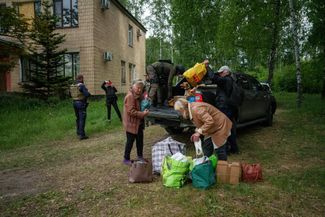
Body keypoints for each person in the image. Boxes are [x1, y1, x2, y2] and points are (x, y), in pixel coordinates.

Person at [212, 65, 239, 154]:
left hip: (225, 107)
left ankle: (225, 149)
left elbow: (214, 78)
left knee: (223, 128)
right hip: (230, 107)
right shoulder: (231, 80)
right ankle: (234, 148)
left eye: (221, 72)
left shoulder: (226, 79)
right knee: (231, 127)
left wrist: (208, 68)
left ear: (227, 72)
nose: (220, 74)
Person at [122, 79, 149, 165]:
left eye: (141, 88)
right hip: (131, 124)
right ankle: (126, 159)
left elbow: (144, 94)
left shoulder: (138, 95)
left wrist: (145, 101)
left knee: (140, 141)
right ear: (133, 86)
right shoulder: (130, 96)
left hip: (138, 123)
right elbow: (131, 111)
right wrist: (143, 114)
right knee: (130, 142)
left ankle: (140, 156)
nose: (139, 90)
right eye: (138, 87)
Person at [70, 74, 91, 140]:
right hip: (81, 103)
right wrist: (88, 93)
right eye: (83, 78)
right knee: (82, 118)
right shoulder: (81, 85)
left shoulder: (73, 86)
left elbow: (69, 94)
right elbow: (87, 94)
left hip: (74, 103)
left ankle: (78, 132)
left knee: (78, 118)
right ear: (81, 79)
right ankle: (82, 135)